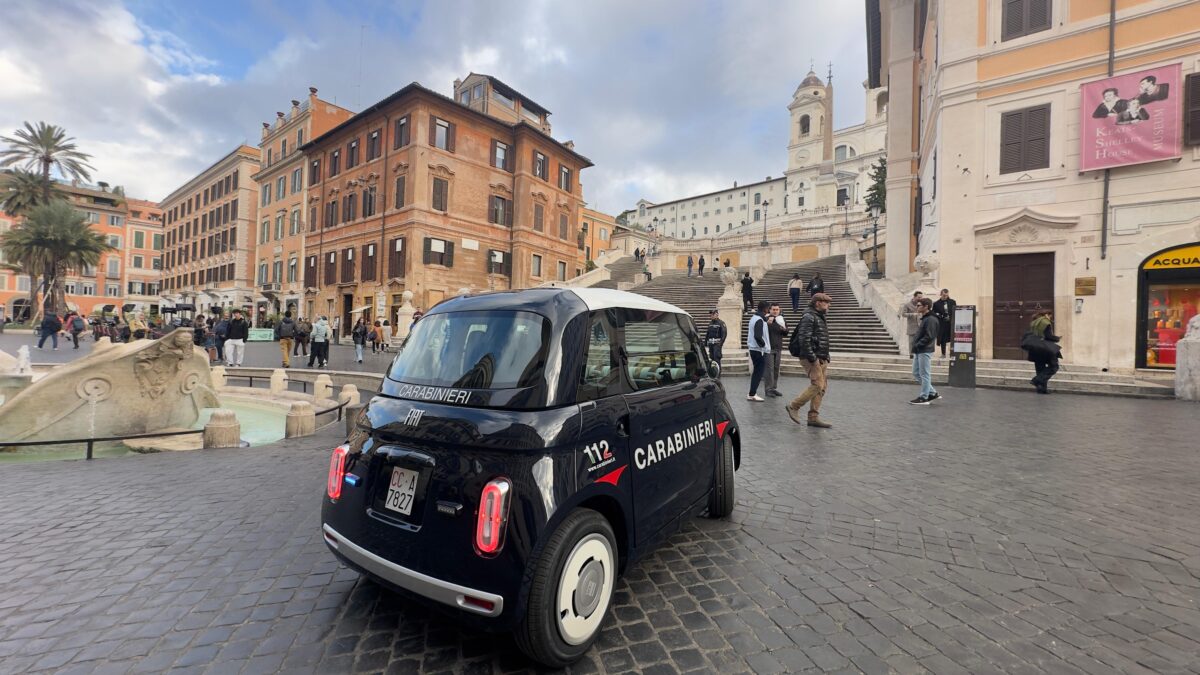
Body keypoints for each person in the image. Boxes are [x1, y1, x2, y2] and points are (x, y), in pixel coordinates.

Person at [786, 293, 833, 428]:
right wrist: (813, 358)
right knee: (817, 385)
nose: (828, 305)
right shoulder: (809, 317)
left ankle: (813, 417)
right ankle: (793, 406)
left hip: (821, 357)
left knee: (822, 388)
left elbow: (820, 338)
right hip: (812, 358)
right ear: (818, 303)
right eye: (826, 302)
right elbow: (804, 339)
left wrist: (825, 356)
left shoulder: (819, 316)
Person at [909, 297, 940, 405]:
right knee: (916, 372)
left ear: (926, 306)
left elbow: (929, 336)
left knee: (924, 374)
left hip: (924, 350)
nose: (916, 307)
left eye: (919, 305)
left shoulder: (931, 319)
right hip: (919, 350)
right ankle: (932, 392)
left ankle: (924, 397)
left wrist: (918, 345)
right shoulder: (926, 318)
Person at [1024, 310, 1061, 394]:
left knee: (1040, 369)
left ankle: (1041, 389)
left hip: (1035, 348)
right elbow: (1048, 336)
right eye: (1050, 316)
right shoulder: (1045, 322)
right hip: (1045, 348)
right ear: (1046, 315)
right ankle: (1036, 380)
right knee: (1054, 367)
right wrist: (1057, 338)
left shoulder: (1033, 323)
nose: (1050, 318)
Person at [746, 300, 771, 402]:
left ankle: (752, 393)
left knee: (757, 372)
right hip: (758, 350)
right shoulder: (759, 320)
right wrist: (763, 345)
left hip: (755, 349)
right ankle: (752, 394)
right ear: (765, 309)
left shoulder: (755, 318)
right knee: (758, 373)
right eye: (768, 308)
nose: (768, 310)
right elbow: (758, 336)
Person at [764, 303, 787, 398]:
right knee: (769, 370)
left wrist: (783, 329)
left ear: (779, 310)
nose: (775, 311)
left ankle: (773, 388)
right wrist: (768, 322)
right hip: (769, 348)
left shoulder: (781, 319)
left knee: (776, 369)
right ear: (770, 310)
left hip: (778, 348)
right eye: (773, 309)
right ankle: (768, 389)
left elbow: (786, 332)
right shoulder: (766, 319)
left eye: (777, 309)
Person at [932, 289, 956, 358]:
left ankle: (952, 353)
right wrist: (940, 316)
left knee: (952, 338)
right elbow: (934, 313)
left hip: (951, 323)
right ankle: (943, 353)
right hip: (942, 323)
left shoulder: (952, 302)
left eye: (947, 295)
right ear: (941, 294)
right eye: (944, 295)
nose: (945, 297)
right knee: (943, 339)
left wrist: (950, 317)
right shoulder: (936, 303)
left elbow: (955, 311)